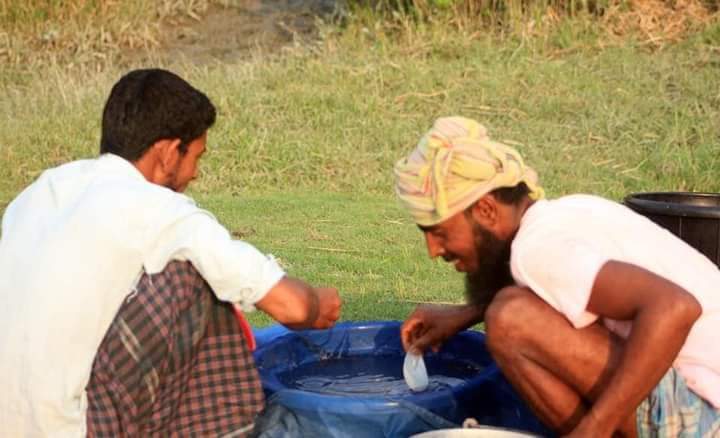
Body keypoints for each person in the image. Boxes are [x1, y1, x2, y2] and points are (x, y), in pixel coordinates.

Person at [0, 68, 342, 437]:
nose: (195, 173)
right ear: (166, 153)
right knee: (190, 275)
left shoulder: (44, 189)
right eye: (196, 156)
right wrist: (320, 304)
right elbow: (293, 307)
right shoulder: (156, 209)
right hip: (67, 427)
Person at [394, 116, 720, 437]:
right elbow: (559, 289)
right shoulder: (570, 210)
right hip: (699, 395)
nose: (433, 249)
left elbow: (674, 307)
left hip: (708, 415)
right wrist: (467, 313)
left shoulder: (536, 250)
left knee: (511, 320)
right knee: (510, 309)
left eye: (438, 232)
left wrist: (594, 428)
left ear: (486, 210)